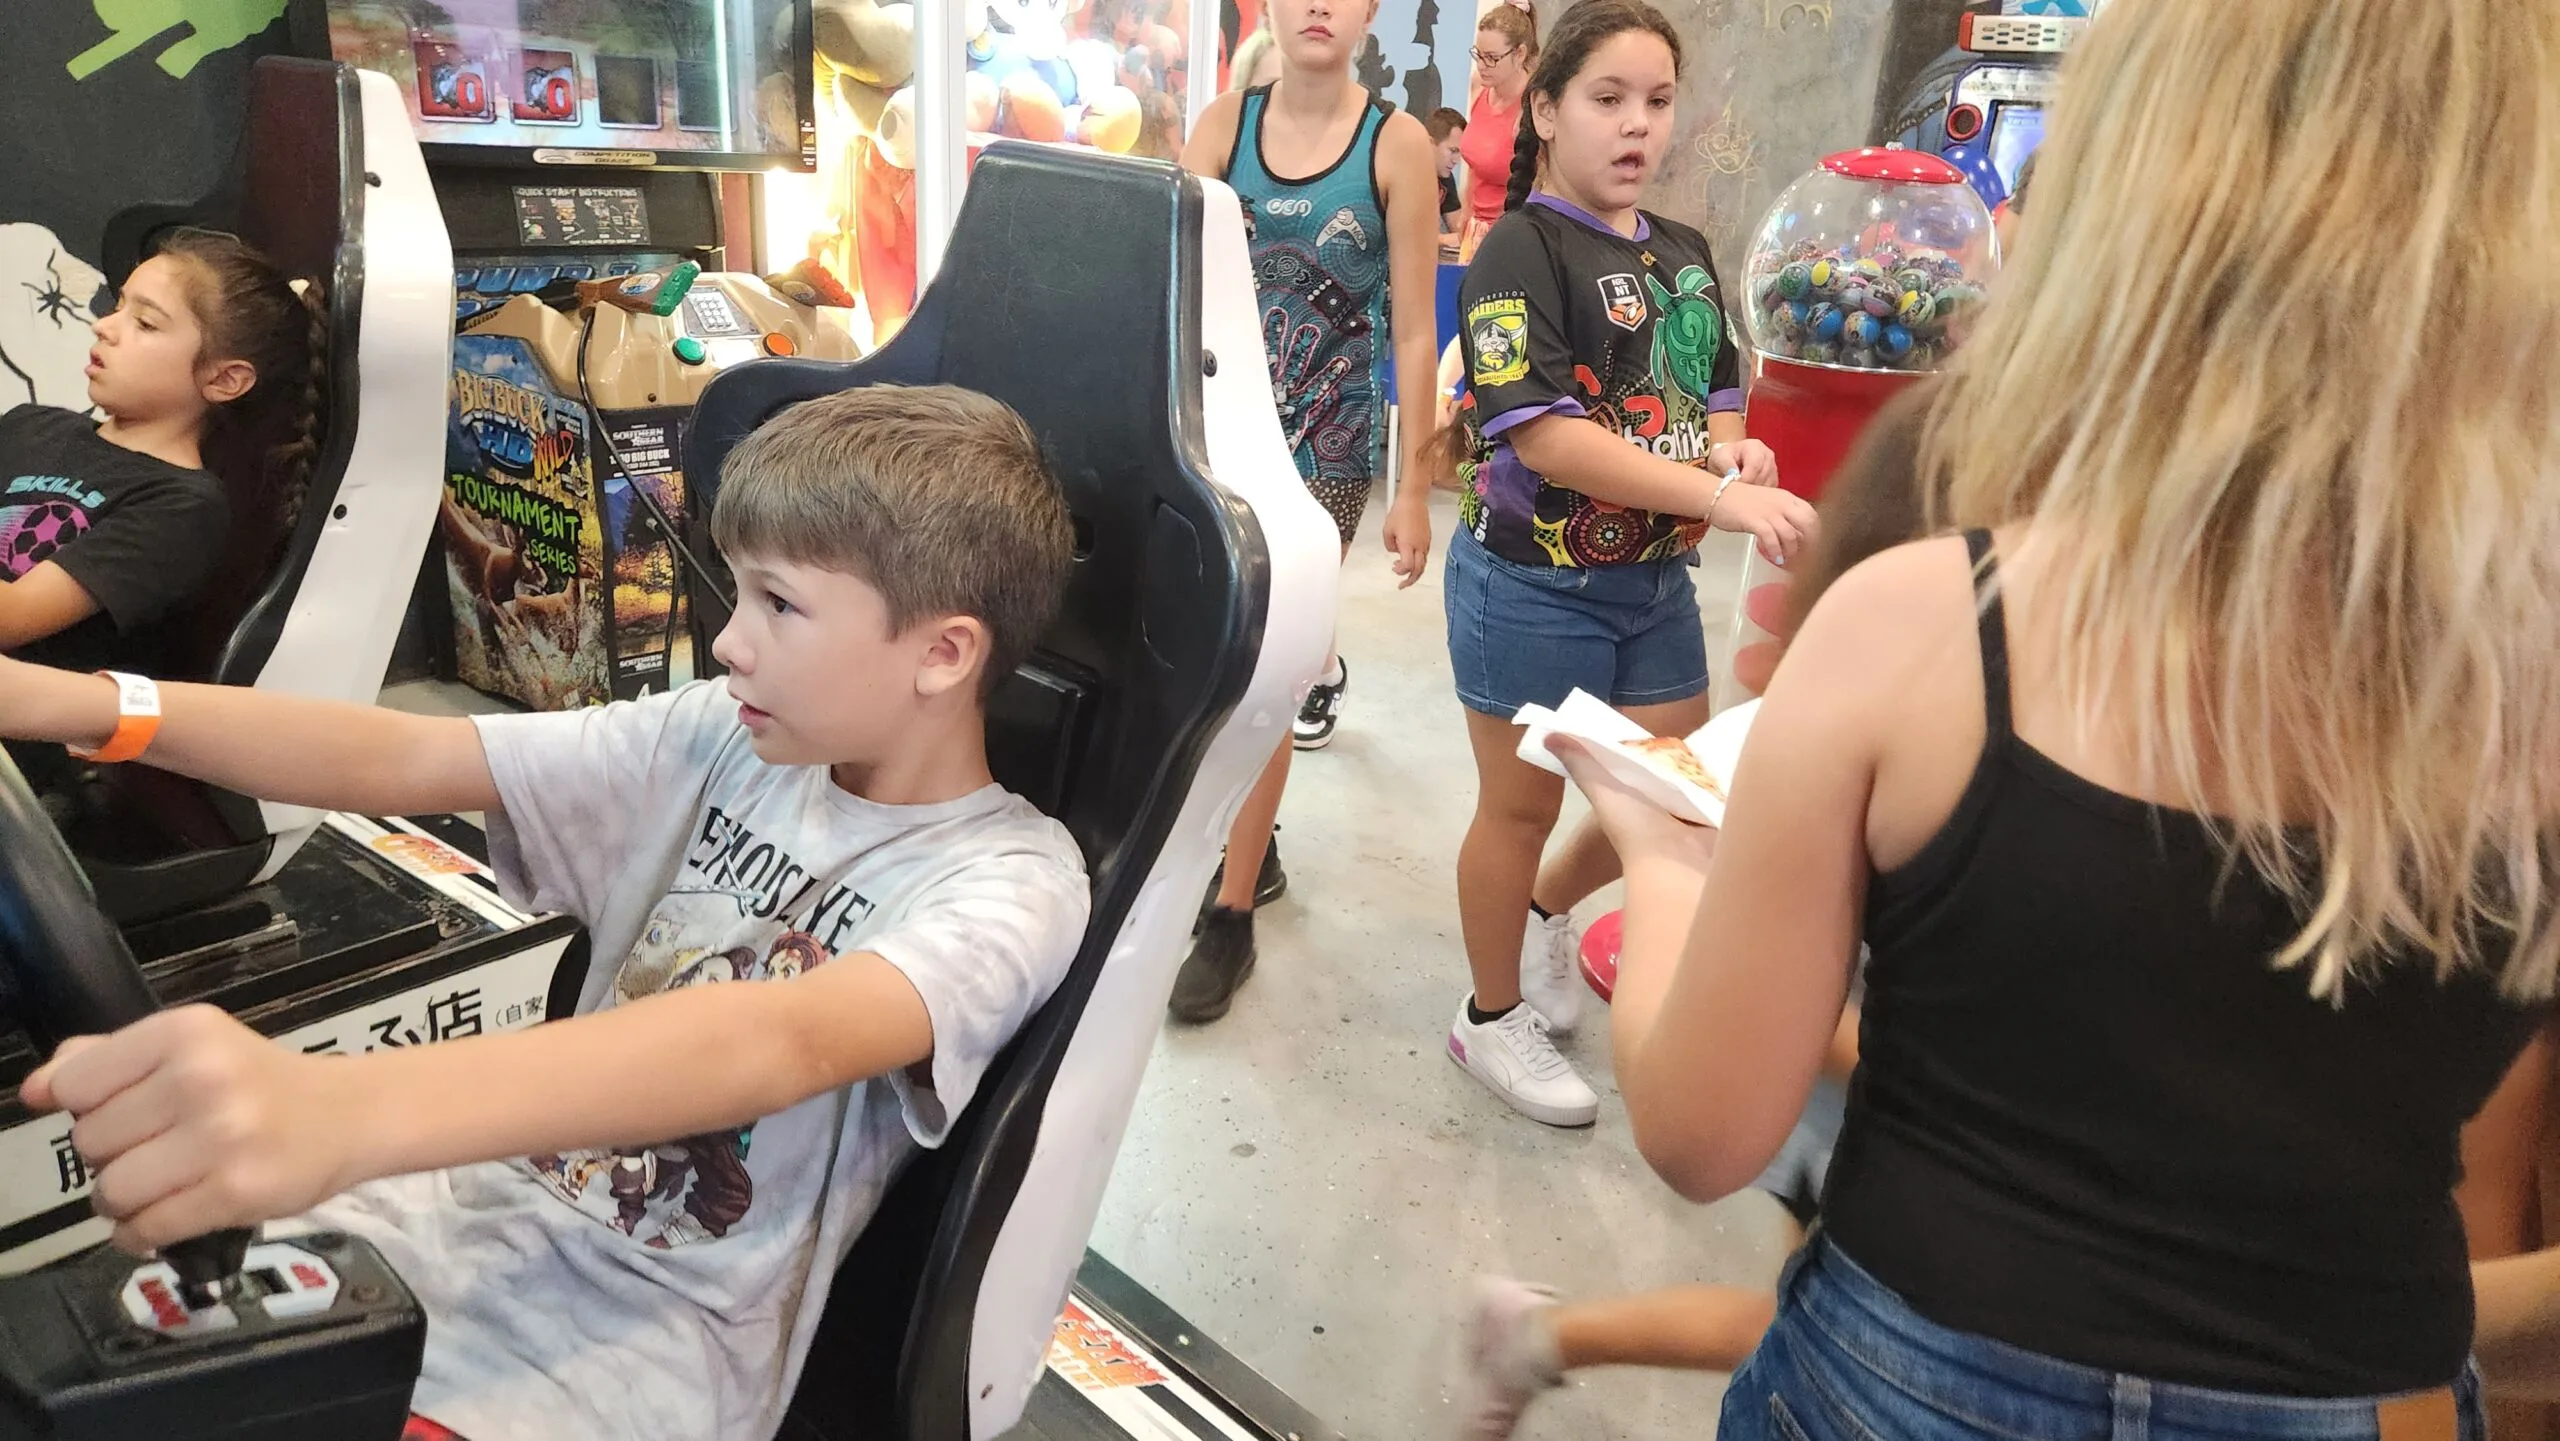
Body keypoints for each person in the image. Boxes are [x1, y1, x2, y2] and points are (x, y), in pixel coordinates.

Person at [1557, 0, 2559, 1435]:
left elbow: (1706, 1127)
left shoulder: (1918, 627)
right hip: (2359, 1385)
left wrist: (1661, 855)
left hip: (1903, 1379)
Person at [8, 384, 1093, 1441]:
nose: (729, 642)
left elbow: (783, 1035)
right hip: (467, 1215)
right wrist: (86, 705)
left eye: (781, 604)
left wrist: (341, 1110)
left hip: (647, 1333)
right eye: (738, 593)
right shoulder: (725, 732)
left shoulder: (1009, 882)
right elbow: (419, 752)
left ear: (943, 654)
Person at [1439, 0, 1814, 1128]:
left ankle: (1550, 912)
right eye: (1606, 99)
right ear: (1545, 110)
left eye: (1655, 101)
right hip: (1532, 578)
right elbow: (1546, 435)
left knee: (1667, 791)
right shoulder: (1521, 247)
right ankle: (1488, 1016)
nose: (1635, 126)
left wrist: (1732, 447)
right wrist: (1721, 490)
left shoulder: (1685, 255)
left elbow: (1710, 403)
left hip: (1653, 584)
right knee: (1517, 808)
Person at [1169, 0, 1440, 1023]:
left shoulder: (1396, 144)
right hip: (1215, 435)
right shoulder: (1219, 129)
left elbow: (1414, 331)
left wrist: (1414, 486)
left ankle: (1230, 910)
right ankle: (1254, 837)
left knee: (1272, 667)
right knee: (1207, 656)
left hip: (1324, 450)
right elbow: (1173, 292)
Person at [0, 229, 323, 675]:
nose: (103, 326)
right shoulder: (30, 425)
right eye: (118, 307)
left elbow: (11, 618)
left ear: (224, 380)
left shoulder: (182, 506)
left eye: (145, 323)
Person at [1454, 1, 1535, 261]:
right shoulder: (1480, 86)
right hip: (1474, 229)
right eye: (1478, 54)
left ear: (1519, 53)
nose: (1482, 65)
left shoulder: (1533, 106)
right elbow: (1475, 165)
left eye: (1492, 58)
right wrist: (1465, 215)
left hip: (1513, 234)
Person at [1425, 105, 1469, 252]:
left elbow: (1457, 228)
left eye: (1460, 153)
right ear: (1430, 143)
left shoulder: (1446, 177)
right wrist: (1442, 239)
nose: (1457, 160)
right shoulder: (1405, 176)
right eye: (1453, 151)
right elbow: (1399, 234)